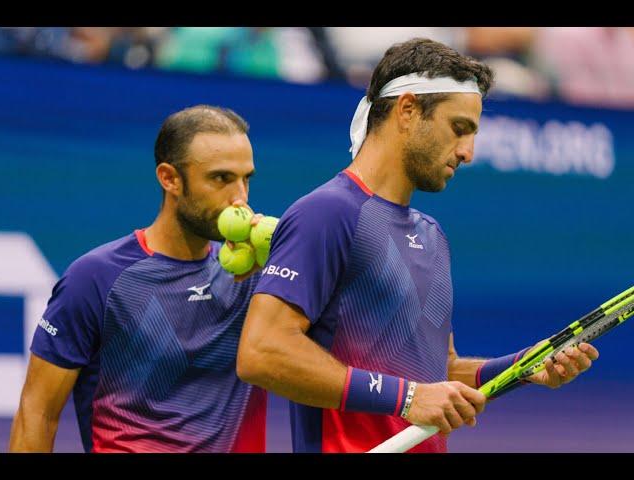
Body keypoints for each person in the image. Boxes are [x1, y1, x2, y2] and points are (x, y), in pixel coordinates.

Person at [236, 38, 600, 453]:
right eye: (458, 129)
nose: (467, 152)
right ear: (407, 111)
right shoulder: (327, 213)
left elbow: (437, 372)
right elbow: (262, 352)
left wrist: (521, 367)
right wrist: (407, 398)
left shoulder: (431, 235)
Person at [9, 105, 266, 453]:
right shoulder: (95, 278)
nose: (240, 198)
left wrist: (282, 277)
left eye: (245, 178)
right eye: (221, 178)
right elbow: (37, 413)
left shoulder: (259, 277)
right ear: (169, 178)